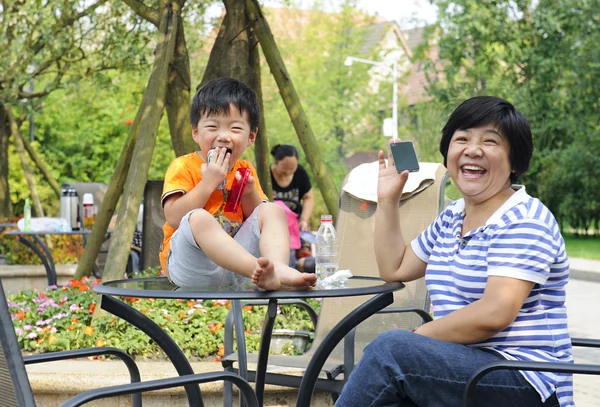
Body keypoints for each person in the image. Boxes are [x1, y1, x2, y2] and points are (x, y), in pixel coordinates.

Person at [336, 96, 572, 407]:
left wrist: (419, 336)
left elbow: (495, 312)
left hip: (523, 378)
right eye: (462, 139)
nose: (473, 150)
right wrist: (389, 200)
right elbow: (395, 267)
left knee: (391, 351)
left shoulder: (524, 218)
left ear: (515, 162)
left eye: (490, 142)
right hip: (468, 365)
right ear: (449, 153)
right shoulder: (452, 217)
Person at [158, 78, 316, 291]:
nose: (223, 136)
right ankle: (262, 272)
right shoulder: (184, 166)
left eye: (234, 128)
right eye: (213, 126)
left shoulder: (244, 169)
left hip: (236, 268)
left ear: (251, 136)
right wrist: (208, 183)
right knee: (199, 218)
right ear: (196, 132)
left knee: (272, 210)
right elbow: (174, 218)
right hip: (191, 267)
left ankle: (275, 268)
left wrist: (249, 193)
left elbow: (256, 218)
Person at [270, 144, 314, 268]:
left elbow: (308, 197)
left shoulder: (300, 173)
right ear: (276, 162)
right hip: (273, 225)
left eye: (291, 171)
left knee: (307, 262)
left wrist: (304, 219)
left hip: (296, 225)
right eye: (284, 171)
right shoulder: (265, 175)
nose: (287, 174)